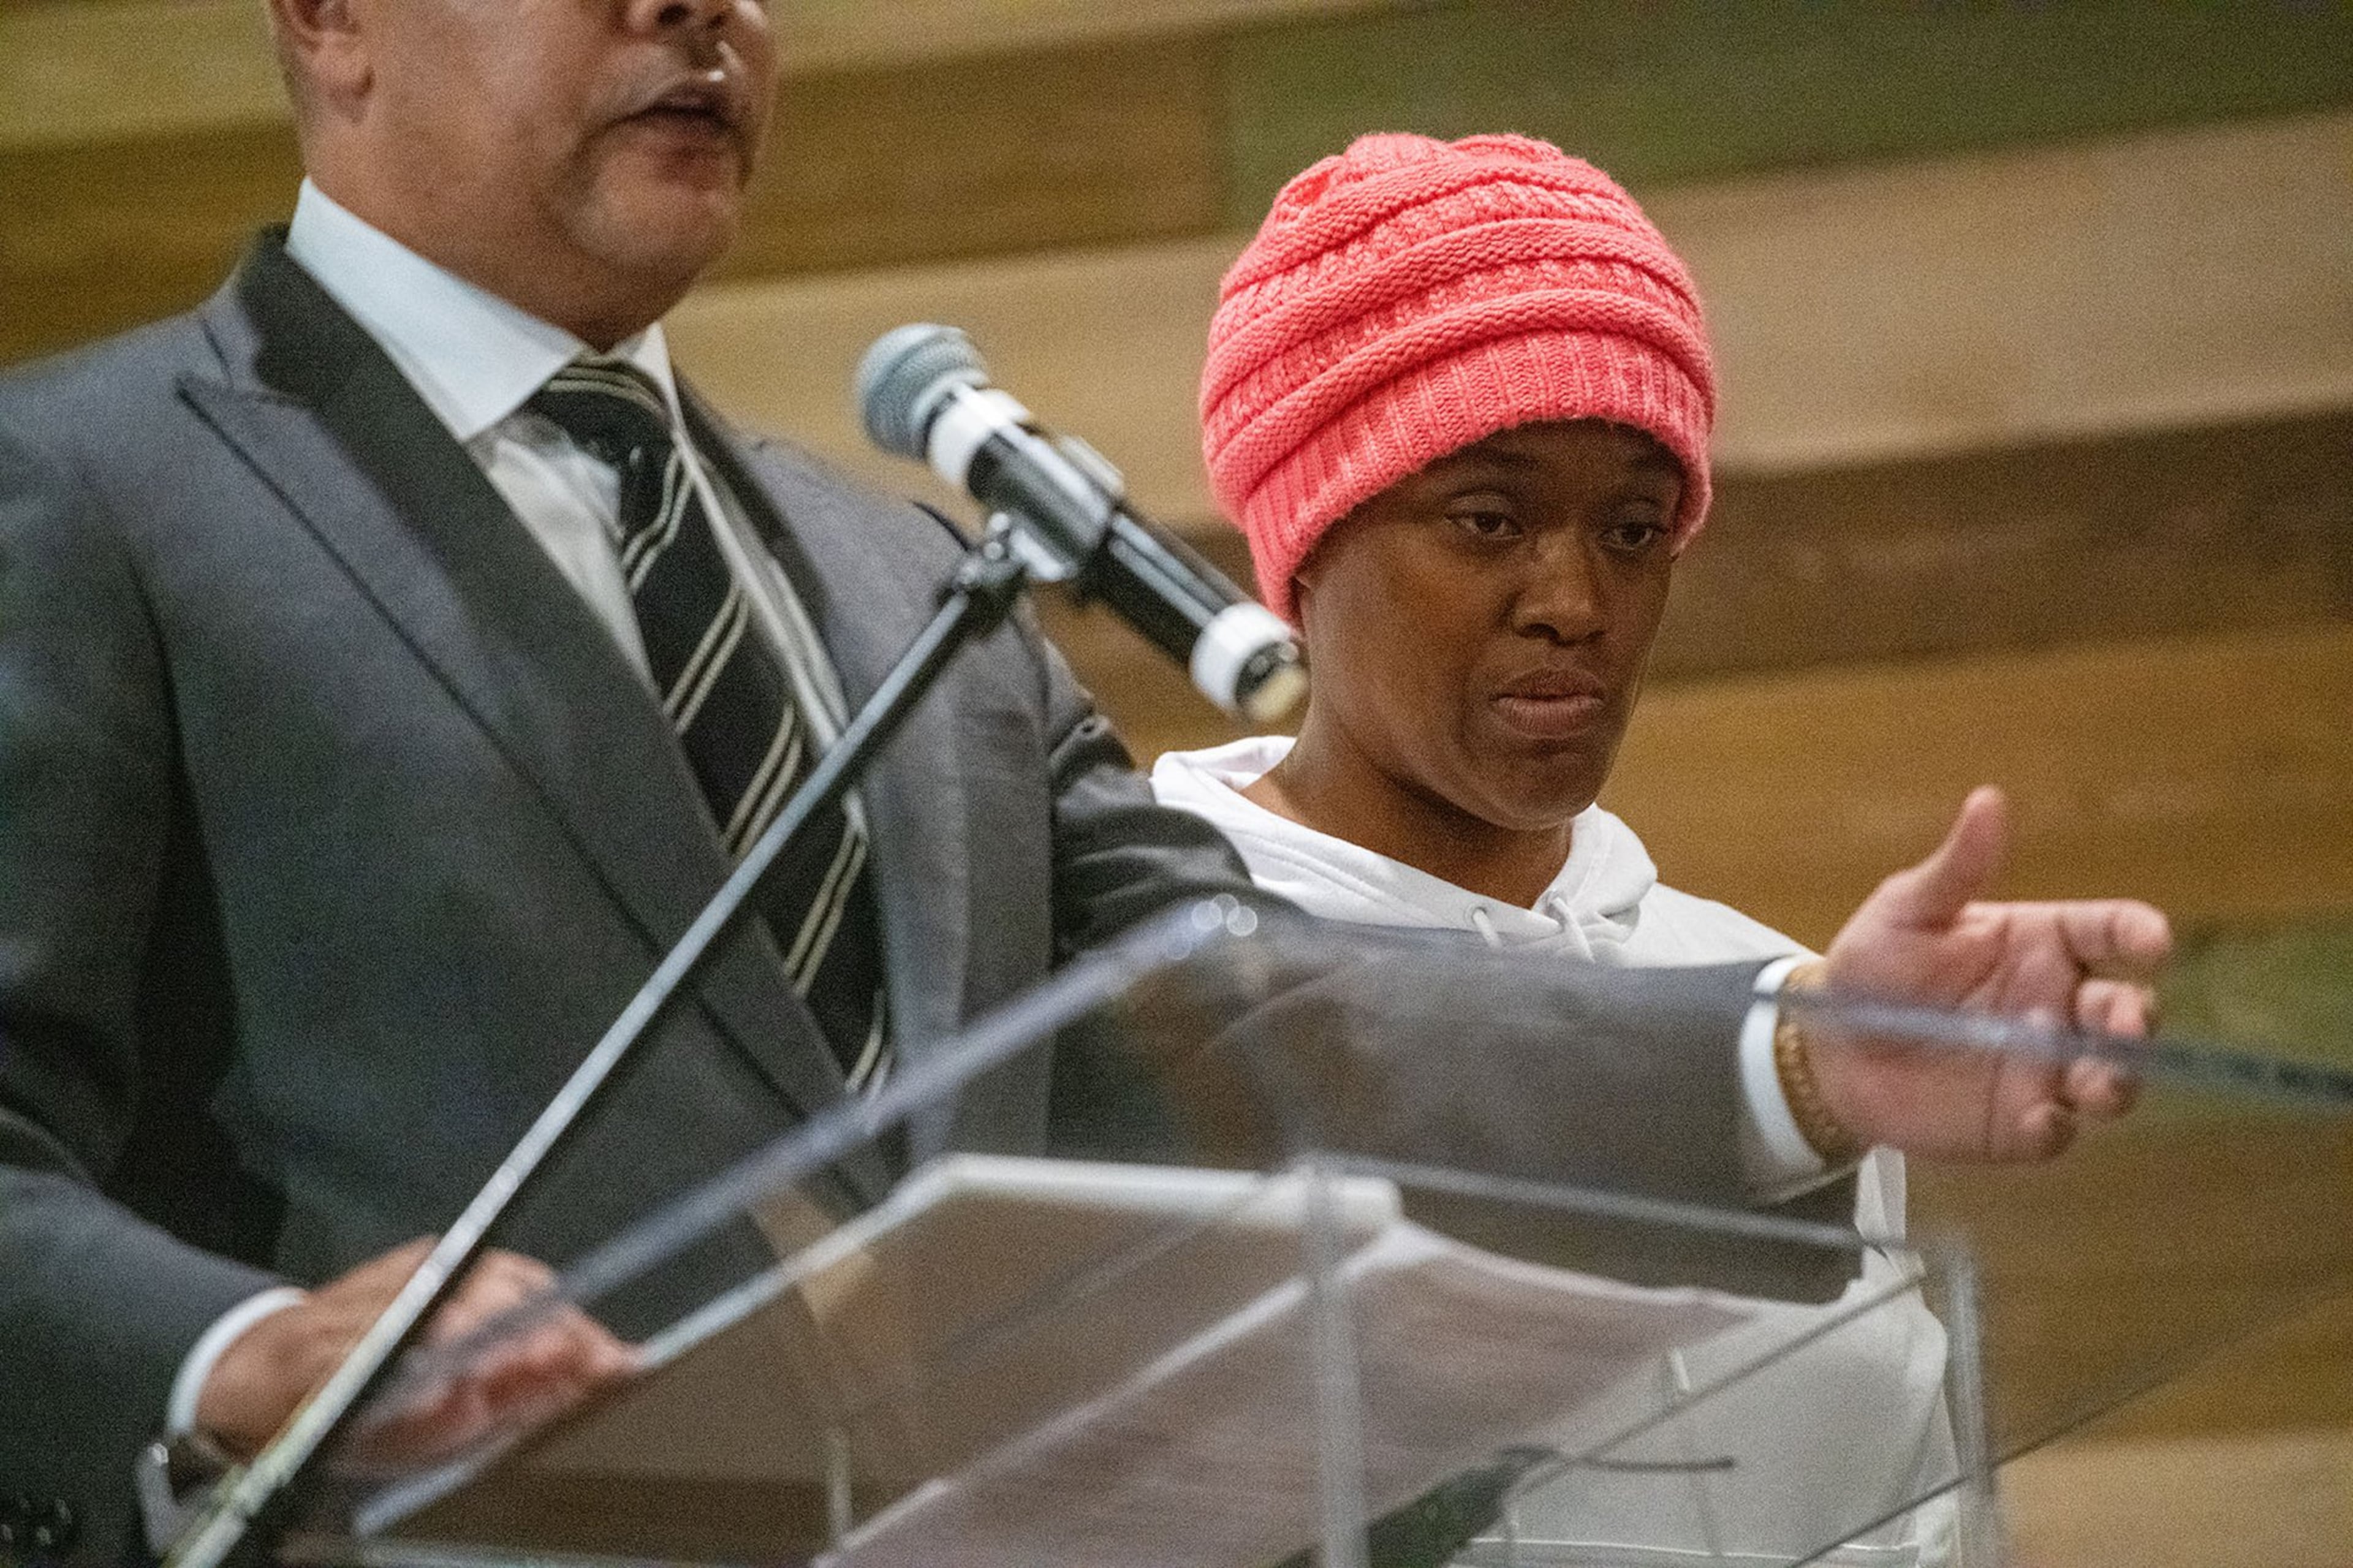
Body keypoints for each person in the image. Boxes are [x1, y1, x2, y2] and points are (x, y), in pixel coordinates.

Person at [0, 8, 2165, 1564]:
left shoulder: (908, 574)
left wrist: (1797, 1060)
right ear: (327, 22)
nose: (701, 14)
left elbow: (1245, 1025)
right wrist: (235, 1359)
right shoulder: (84, 492)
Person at [1158, 131, 2124, 1559]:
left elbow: (1902, 1506)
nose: (1576, 599)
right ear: (1305, 546)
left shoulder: (1772, 1006)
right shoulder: (1154, 973)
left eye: (1633, 526)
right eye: (1488, 518)